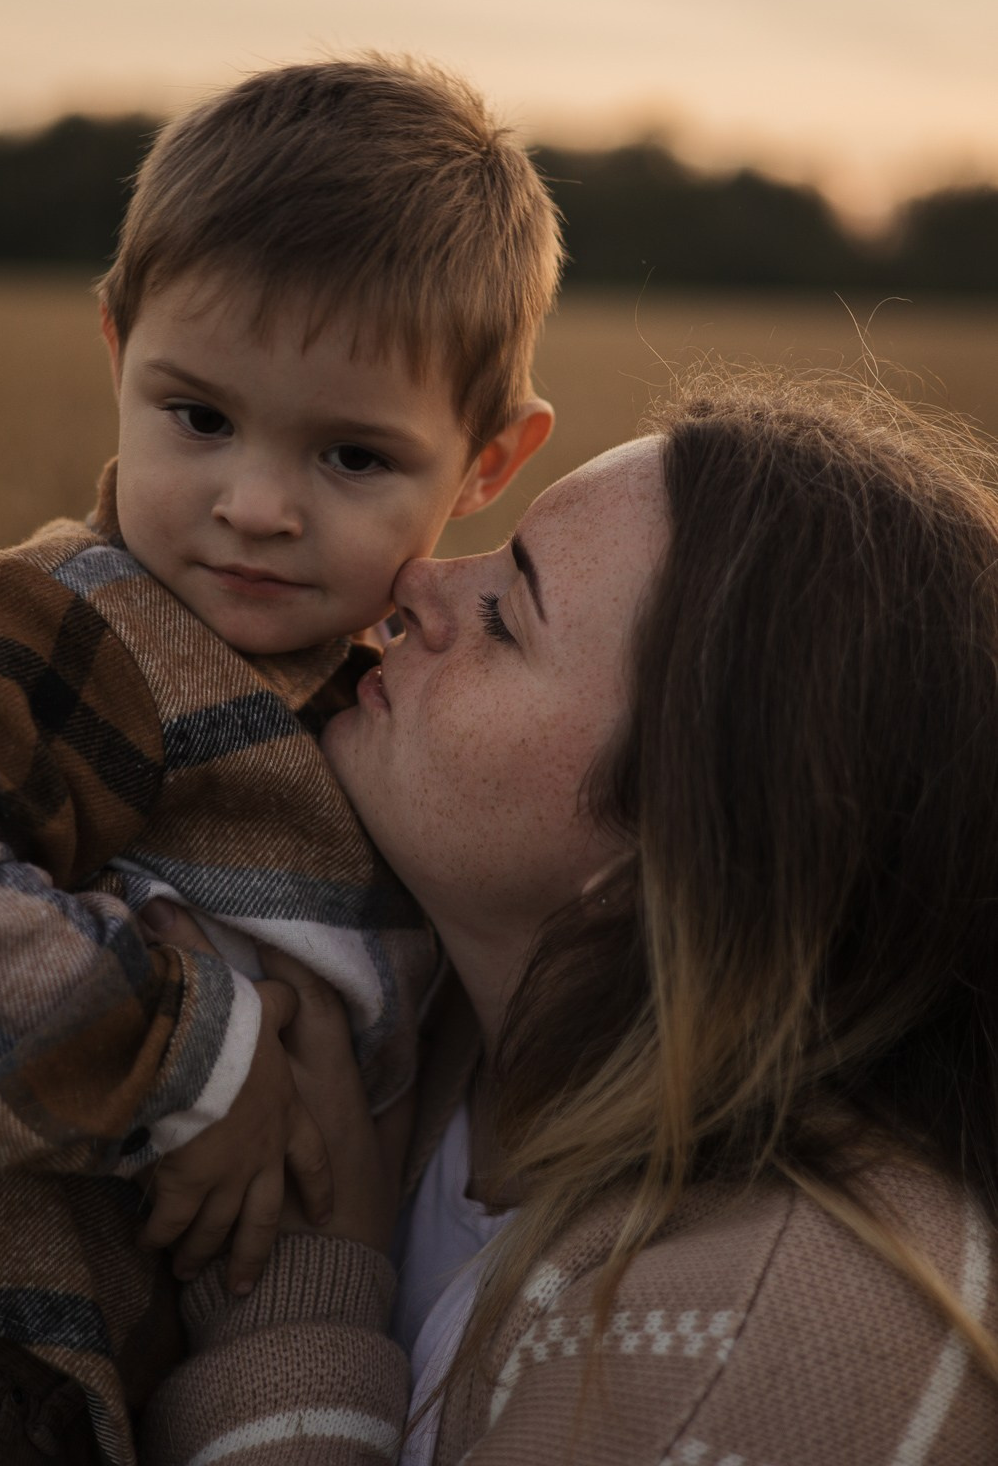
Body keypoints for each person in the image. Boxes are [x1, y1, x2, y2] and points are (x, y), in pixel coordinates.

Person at [143, 372, 998, 1464]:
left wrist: (297, 1315)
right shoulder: (384, 992)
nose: (415, 579)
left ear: (677, 852)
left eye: (506, 612)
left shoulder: (770, 1357)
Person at [0, 57, 560, 1460]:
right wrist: (190, 1058)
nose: (255, 507)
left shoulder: (410, 706)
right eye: (197, 419)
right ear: (116, 351)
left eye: (349, 457)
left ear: (484, 464)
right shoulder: (61, 626)